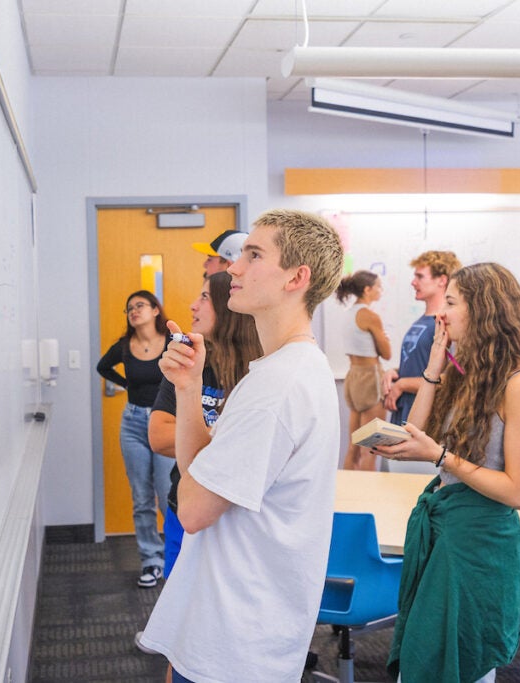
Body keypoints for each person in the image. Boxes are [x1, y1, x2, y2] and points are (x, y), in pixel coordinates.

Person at [139, 209, 344, 682]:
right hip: (237, 625)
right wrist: (189, 388)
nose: (233, 267)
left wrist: (192, 480)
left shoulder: (277, 387)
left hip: (234, 641)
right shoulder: (286, 369)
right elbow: (203, 471)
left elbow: (192, 509)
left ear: (296, 277)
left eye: (253, 255)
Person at [374, 263, 520, 683]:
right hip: (449, 531)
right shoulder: (470, 373)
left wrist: (442, 457)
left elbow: (517, 493)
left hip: (479, 543)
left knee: (459, 664)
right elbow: (415, 432)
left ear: (483, 309)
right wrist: (434, 365)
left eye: (451, 303)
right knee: (423, 662)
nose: (441, 313)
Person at [136, 271, 261, 665]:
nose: (193, 305)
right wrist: (224, 436)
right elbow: (159, 435)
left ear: (228, 305)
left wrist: (195, 430)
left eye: (204, 297)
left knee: (226, 629)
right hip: (183, 508)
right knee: (181, 625)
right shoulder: (187, 361)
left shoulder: (258, 372)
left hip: (236, 519)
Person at [95, 290, 174, 588]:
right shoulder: (124, 346)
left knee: (168, 495)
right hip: (133, 424)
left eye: (140, 305)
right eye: (129, 308)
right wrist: (127, 384)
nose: (133, 311)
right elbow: (102, 367)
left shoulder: (172, 342)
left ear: (155, 310)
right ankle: (151, 561)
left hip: (165, 422)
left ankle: (177, 557)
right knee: (141, 497)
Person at [381, 250, 462, 426]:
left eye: (420, 276)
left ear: (442, 280)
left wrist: (403, 384)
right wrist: (396, 372)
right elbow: (421, 361)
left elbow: (450, 380)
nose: (413, 282)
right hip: (404, 413)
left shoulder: (447, 325)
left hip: (426, 420)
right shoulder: (422, 321)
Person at [336, 270, 391, 470]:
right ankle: (367, 491)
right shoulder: (370, 316)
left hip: (353, 377)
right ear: (367, 290)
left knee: (353, 446)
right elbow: (387, 353)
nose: (381, 290)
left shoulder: (348, 314)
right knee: (371, 448)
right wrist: (383, 340)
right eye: (378, 287)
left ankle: (346, 489)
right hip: (370, 377)